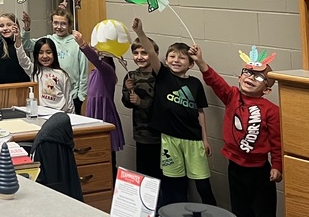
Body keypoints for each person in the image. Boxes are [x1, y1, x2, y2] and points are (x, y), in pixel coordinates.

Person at [191, 44, 282, 217]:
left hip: (259, 172)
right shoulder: (232, 96)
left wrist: (277, 165)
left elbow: (277, 141)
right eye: (247, 72)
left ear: (267, 89)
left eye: (258, 77)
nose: (250, 78)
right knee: (242, 215)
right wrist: (201, 62)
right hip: (235, 168)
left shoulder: (271, 110)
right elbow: (215, 82)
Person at [131, 16, 215, 207]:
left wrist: (205, 139)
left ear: (190, 64)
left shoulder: (195, 84)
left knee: (203, 185)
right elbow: (150, 51)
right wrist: (140, 32)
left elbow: (200, 112)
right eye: (172, 57)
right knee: (172, 184)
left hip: (193, 140)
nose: (176, 60)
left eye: (182, 58)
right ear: (166, 60)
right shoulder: (163, 75)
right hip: (170, 141)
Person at [73, 29, 125, 177]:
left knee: (108, 156)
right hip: (94, 114)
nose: (93, 50)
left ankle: (112, 182)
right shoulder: (94, 72)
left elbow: (96, 60)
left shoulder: (107, 70)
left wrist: (83, 45)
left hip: (105, 114)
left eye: (95, 49)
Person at [122, 36, 161, 180]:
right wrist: (128, 91)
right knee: (144, 172)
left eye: (144, 53)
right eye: (136, 53)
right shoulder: (131, 76)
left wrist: (141, 102)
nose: (139, 57)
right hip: (141, 135)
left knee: (159, 173)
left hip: (159, 136)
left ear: (154, 54)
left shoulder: (160, 76)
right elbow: (126, 103)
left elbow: (161, 106)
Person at [45, 8, 88, 113]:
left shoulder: (76, 43)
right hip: (52, 94)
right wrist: (26, 30)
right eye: (56, 23)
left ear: (69, 25)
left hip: (72, 95)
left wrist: (81, 95)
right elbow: (28, 45)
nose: (59, 27)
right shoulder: (49, 40)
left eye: (63, 24)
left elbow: (83, 70)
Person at [31, 36, 74, 113]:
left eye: (48, 52)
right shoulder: (35, 72)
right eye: (41, 53)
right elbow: (22, 59)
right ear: (36, 55)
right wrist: (18, 38)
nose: (45, 56)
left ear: (54, 54)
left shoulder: (61, 74)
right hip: (42, 113)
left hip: (60, 113)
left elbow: (68, 99)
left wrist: (72, 115)